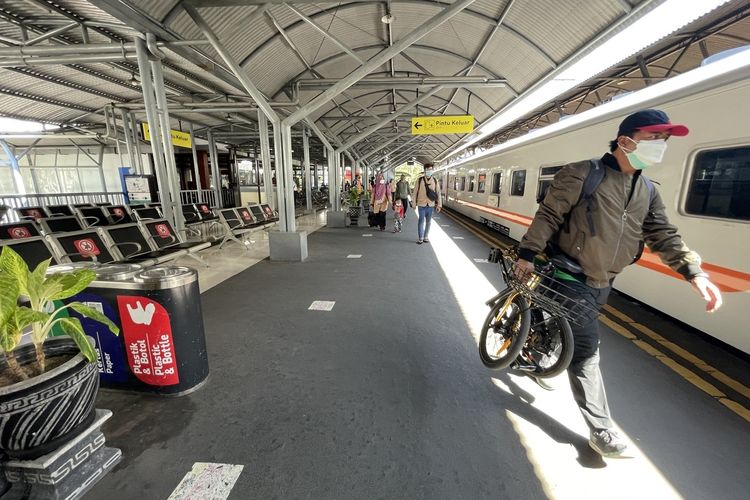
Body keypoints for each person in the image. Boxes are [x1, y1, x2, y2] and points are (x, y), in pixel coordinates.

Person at [514, 109, 723, 458]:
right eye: (654, 138)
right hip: (569, 270)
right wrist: (528, 252)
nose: (660, 146)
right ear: (625, 141)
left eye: (664, 140)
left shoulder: (646, 190)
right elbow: (549, 214)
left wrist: (693, 272)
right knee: (585, 349)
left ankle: (538, 352)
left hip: (604, 281)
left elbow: (663, 235)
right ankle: (602, 430)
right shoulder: (582, 174)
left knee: (563, 325)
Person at [411, 163, 442, 244]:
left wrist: (439, 205)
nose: (429, 171)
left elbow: (438, 193)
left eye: (431, 170)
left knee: (428, 222)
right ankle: (420, 237)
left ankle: (426, 236)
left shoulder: (435, 180)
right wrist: (413, 204)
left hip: (431, 205)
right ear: (424, 170)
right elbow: (414, 193)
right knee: (421, 221)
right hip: (421, 204)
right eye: (427, 170)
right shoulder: (419, 180)